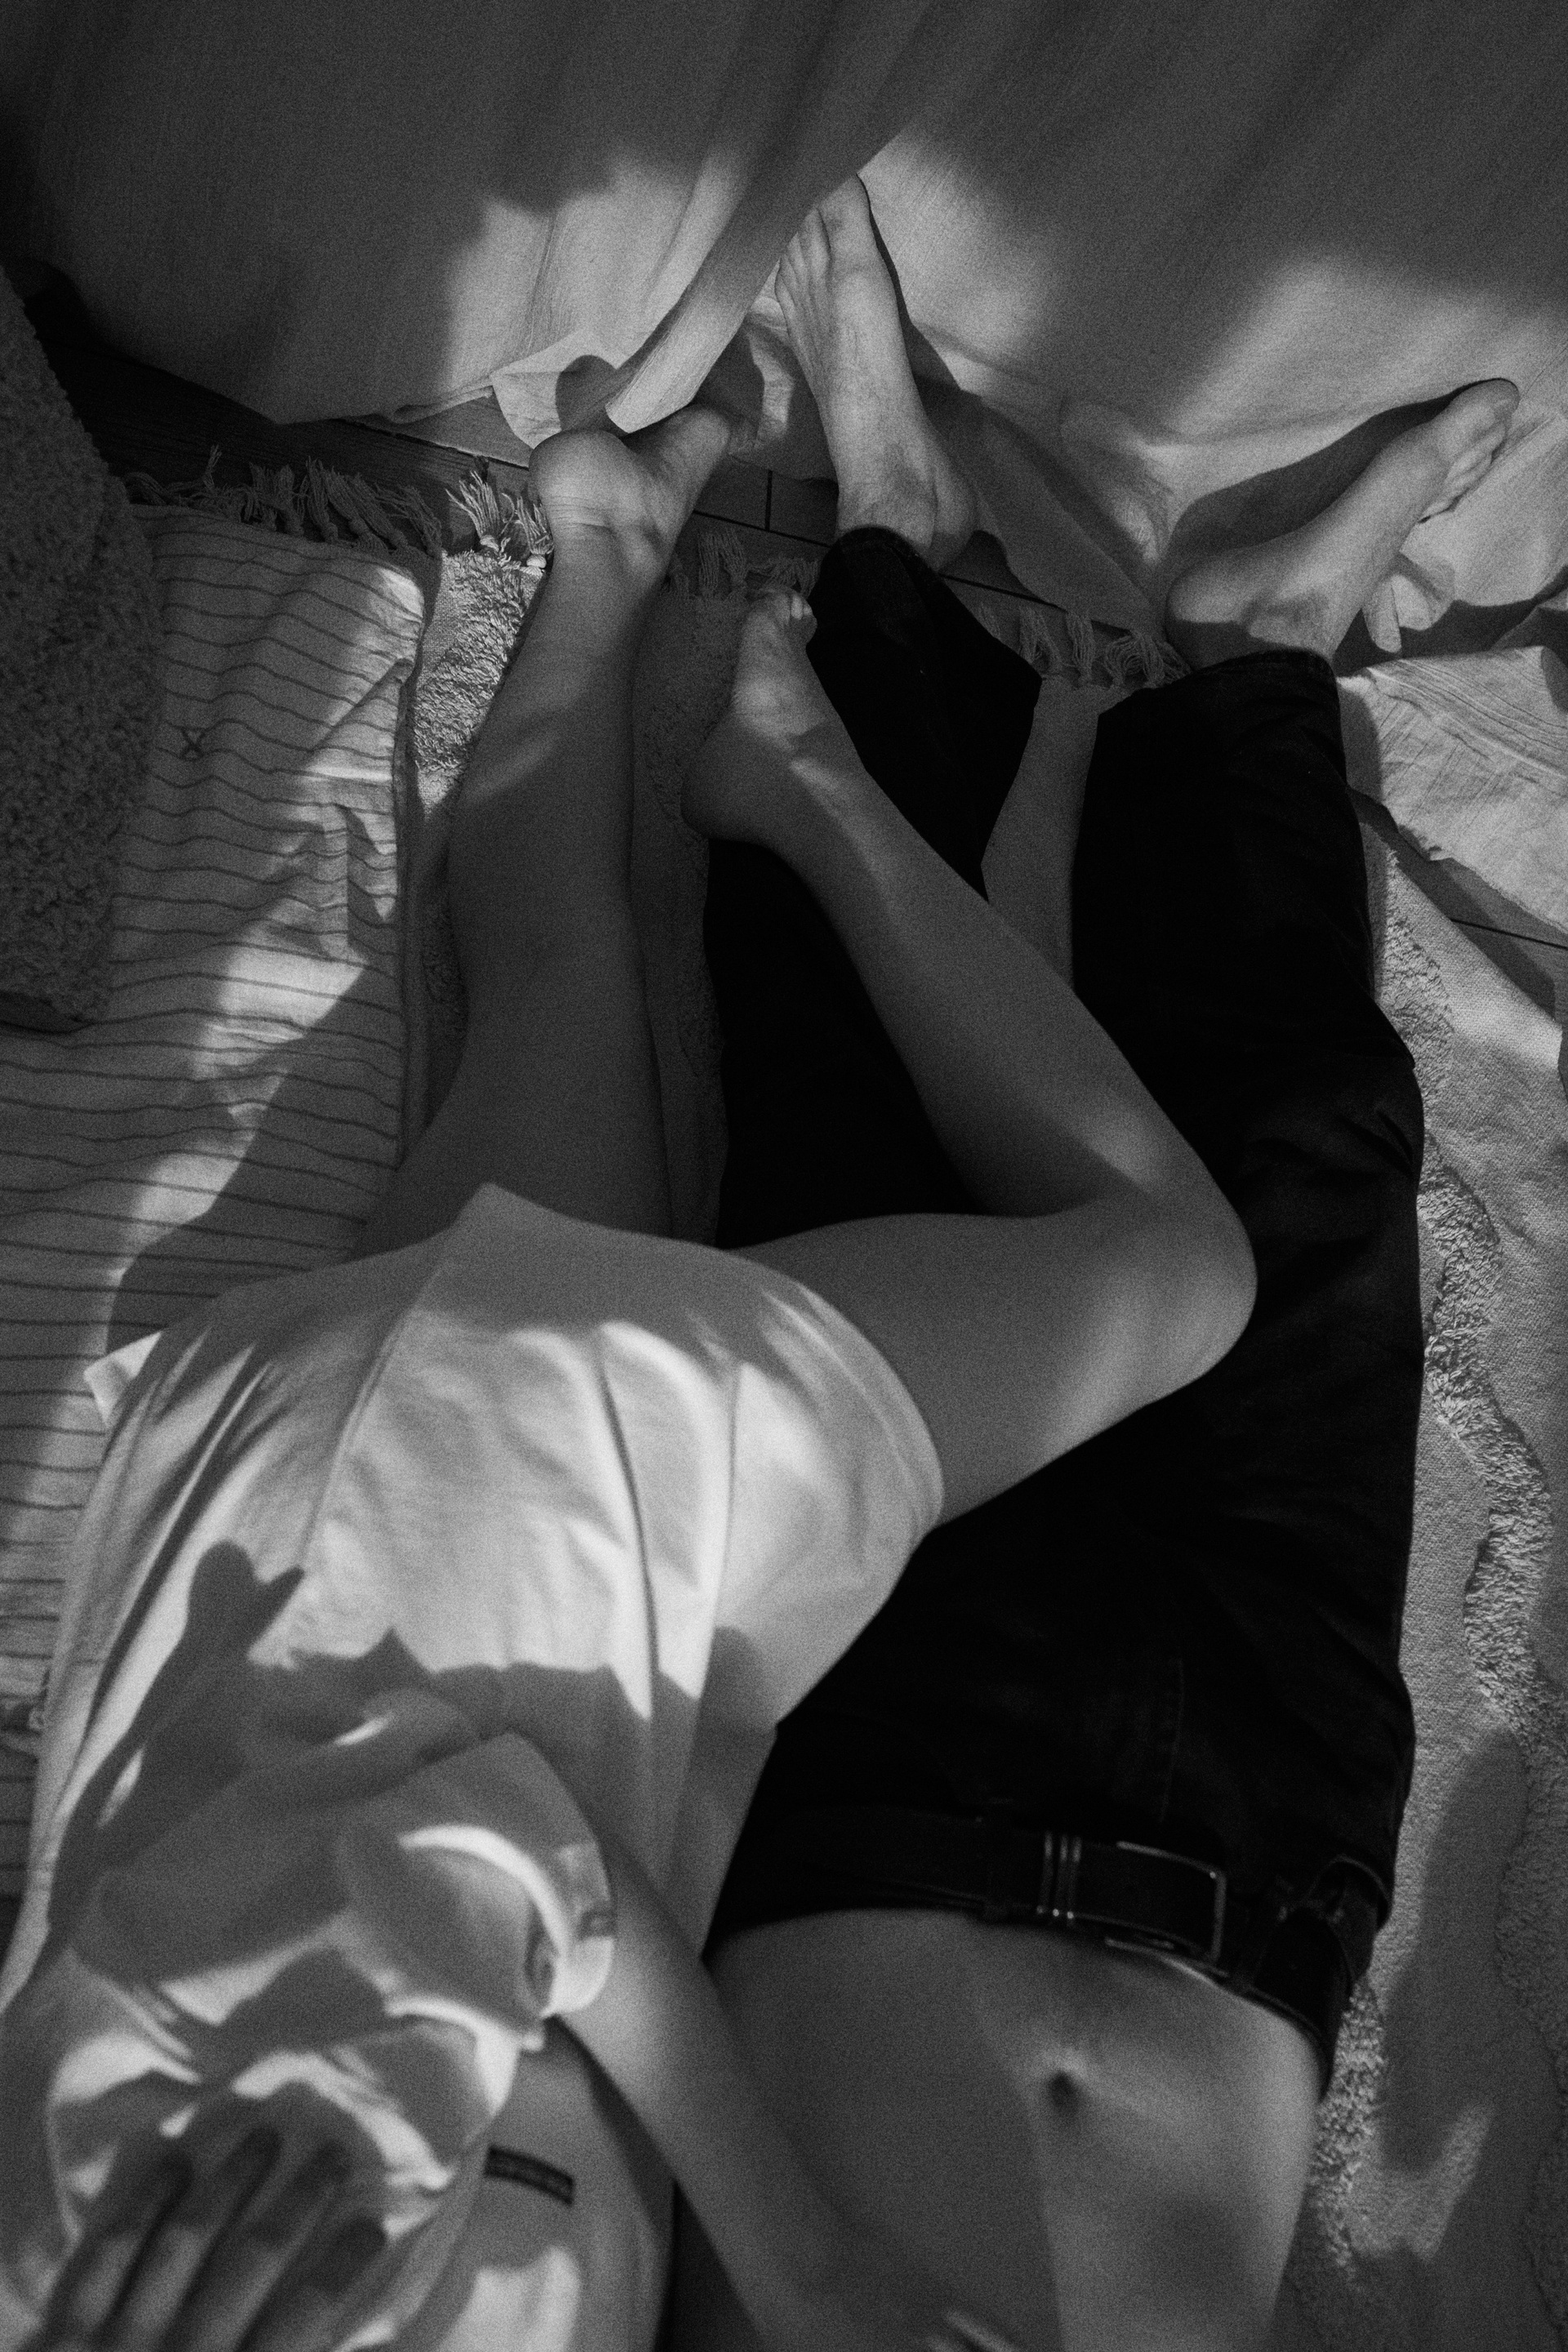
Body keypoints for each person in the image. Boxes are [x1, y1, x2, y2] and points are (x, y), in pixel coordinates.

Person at [0, 218, 1268, 2352]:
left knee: (1181, 1270)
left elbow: (499, 1849)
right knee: (564, 990)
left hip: (477, 1530)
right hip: (306, 1562)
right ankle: (597, 541)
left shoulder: (180, 2269)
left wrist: (801, 2250)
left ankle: (811, 786)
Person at [674, 182, 1519, 2352]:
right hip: (1257, 1843)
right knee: (1319, 1176)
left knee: (854, 1125)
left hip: (872, 1773)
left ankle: (891, 541)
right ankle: (1261, 656)